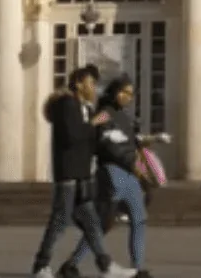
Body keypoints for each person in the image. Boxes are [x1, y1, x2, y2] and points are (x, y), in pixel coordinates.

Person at [32, 67, 133, 278]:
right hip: (69, 174)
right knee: (60, 221)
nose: (93, 87)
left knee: (92, 223)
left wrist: (106, 137)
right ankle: (41, 266)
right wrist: (93, 124)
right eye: (90, 82)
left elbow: (84, 140)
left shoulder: (81, 107)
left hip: (81, 174)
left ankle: (106, 267)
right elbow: (72, 135)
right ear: (78, 83)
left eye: (95, 83)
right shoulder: (66, 104)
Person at [67, 76, 165, 278]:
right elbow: (106, 144)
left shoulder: (124, 117)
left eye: (130, 94)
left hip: (130, 174)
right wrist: (131, 163)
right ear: (114, 91)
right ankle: (72, 264)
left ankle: (137, 267)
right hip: (113, 171)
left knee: (139, 219)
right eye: (124, 92)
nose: (127, 97)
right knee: (103, 224)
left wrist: (153, 139)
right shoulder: (103, 114)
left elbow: (131, 142)